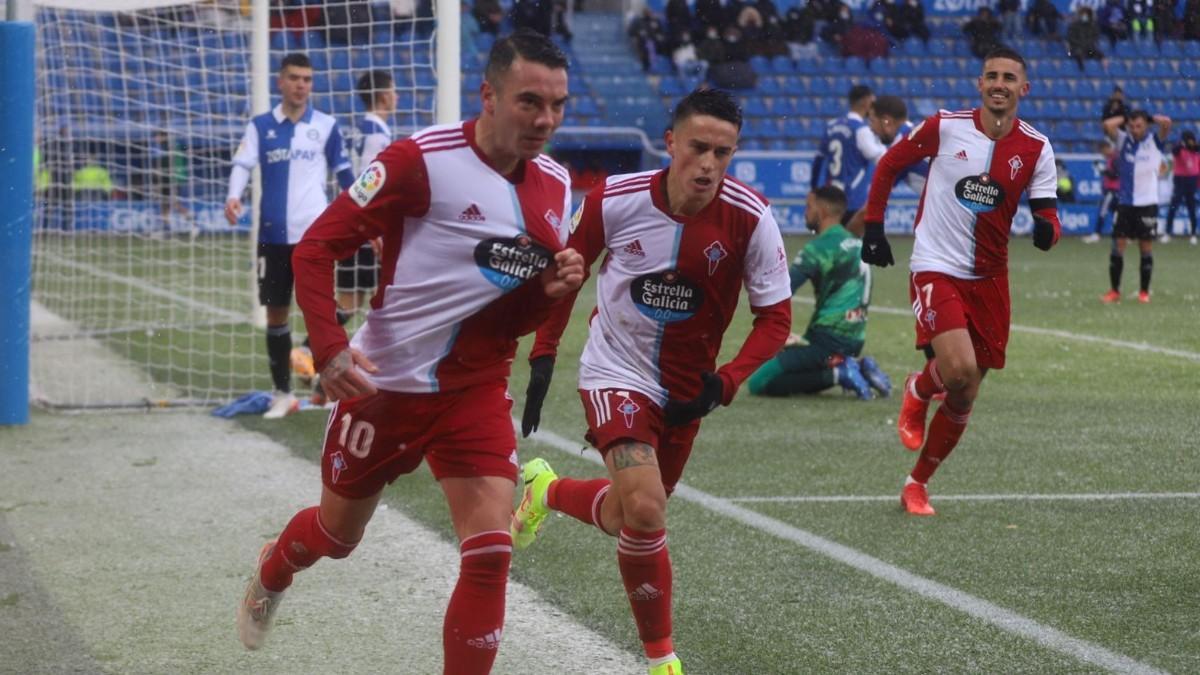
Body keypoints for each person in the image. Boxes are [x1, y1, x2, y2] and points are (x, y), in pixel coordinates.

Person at [234, 31, 583, 675]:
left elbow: (513, 317)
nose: (546, 120)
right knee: (337, 538)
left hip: (474, 388)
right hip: (383, 385)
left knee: (490, 551)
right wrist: (332, 350)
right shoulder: (417, 160)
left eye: (558, 105)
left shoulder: (558, 188)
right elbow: (315, 250)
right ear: (489, 95)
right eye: (530, 101)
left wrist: (549, 295)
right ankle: (273, 567)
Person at [512, 88, 792, 675]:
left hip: (690, 391)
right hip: (615, 368)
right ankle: (662, 660)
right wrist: (544, 355)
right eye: (699, 148)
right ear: (670, 144)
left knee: (628, 514)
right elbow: (568, 272)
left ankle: (547, 492)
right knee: (646, 507)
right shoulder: (614, 200)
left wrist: (725, 383)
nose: (710, 164)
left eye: (723, 152)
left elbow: (776, 319)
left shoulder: (751, 218)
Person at [858, 47, 1062, 516]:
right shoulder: (944, 126)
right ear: (979, 83)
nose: (999, 83)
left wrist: (1050, 230)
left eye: (1009, 77)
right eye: (991, 75)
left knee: (967, 391)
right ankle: (918, 390)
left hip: (990, 278)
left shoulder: (1037, 147)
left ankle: (917, 483)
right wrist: (873, 226)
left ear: (1023, 89)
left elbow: (1047, 212)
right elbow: (889, 165)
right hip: (936, 265)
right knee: (959, 371)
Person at [224, 53, 356, 418]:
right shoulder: (261, 126)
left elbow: (346, 176)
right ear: (280, 82)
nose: (301, 85)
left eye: (307, 79)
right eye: (295, 78)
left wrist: (365, 219)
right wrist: (234, 196)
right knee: (276, 316)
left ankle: (327, 388)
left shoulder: (327, 126)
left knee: (322, 316)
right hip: (273, 235)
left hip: (315, 239)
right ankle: (282, 393)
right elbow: (242, 164)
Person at [748, 185, 891, 400]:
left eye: (808, 206)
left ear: (821, 210)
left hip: (827, 340)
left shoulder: (819, 249)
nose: (805, 212)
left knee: (760, 381)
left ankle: (839, 373)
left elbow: (783, 289)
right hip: (854, 339)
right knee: (790, 359)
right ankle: (859, 367)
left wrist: (776, 333)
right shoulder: (855, 242)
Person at [1100, 109, 1171, 303]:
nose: (1135, 129)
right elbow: (1107, 125)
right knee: (1117, 247)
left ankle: (1144, 292)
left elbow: (1166, 123)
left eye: (1139, 125)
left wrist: (1151, 118)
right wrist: (1126, 117)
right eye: (1132, 126)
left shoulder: (1154, 141)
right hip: (1125, 203)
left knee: (1145, 248)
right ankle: (1115, 291)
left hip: (1147, 203)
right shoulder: (1123, 139)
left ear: (1146, 125)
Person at [811, 85, 889, 228]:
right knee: (852, 245)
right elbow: (881, 159)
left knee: (831, 241)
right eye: (873, 101)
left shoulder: (831, 126)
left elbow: (818, 160)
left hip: (831, 198)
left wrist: (814, 189)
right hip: (852, 199)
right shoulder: (861, 130)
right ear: (866, 102)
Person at [1165, 129, 1199, 244]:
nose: (1192, 142)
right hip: (1180, 180)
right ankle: (1167, 233)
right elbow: (1174, 150)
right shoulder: (1179, 148)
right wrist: (1182, 144)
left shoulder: (1195, 149)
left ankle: (1193, 234)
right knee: (1173, 206)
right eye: (1189, 140)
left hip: (1191, 180)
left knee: (1191, 208)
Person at [1084, 139, 1120, 243]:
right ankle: (1121, 234)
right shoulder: (1112, 158)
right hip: (1113, 190)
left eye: (1102, 151)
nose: (1102, 154)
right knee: (1116, 212)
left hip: (1113, 191)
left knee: (1103, 211)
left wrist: (1103, 171)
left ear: (1107, 148)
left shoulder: (1115, 158)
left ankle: (1097, 233)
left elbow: (1116, 174)